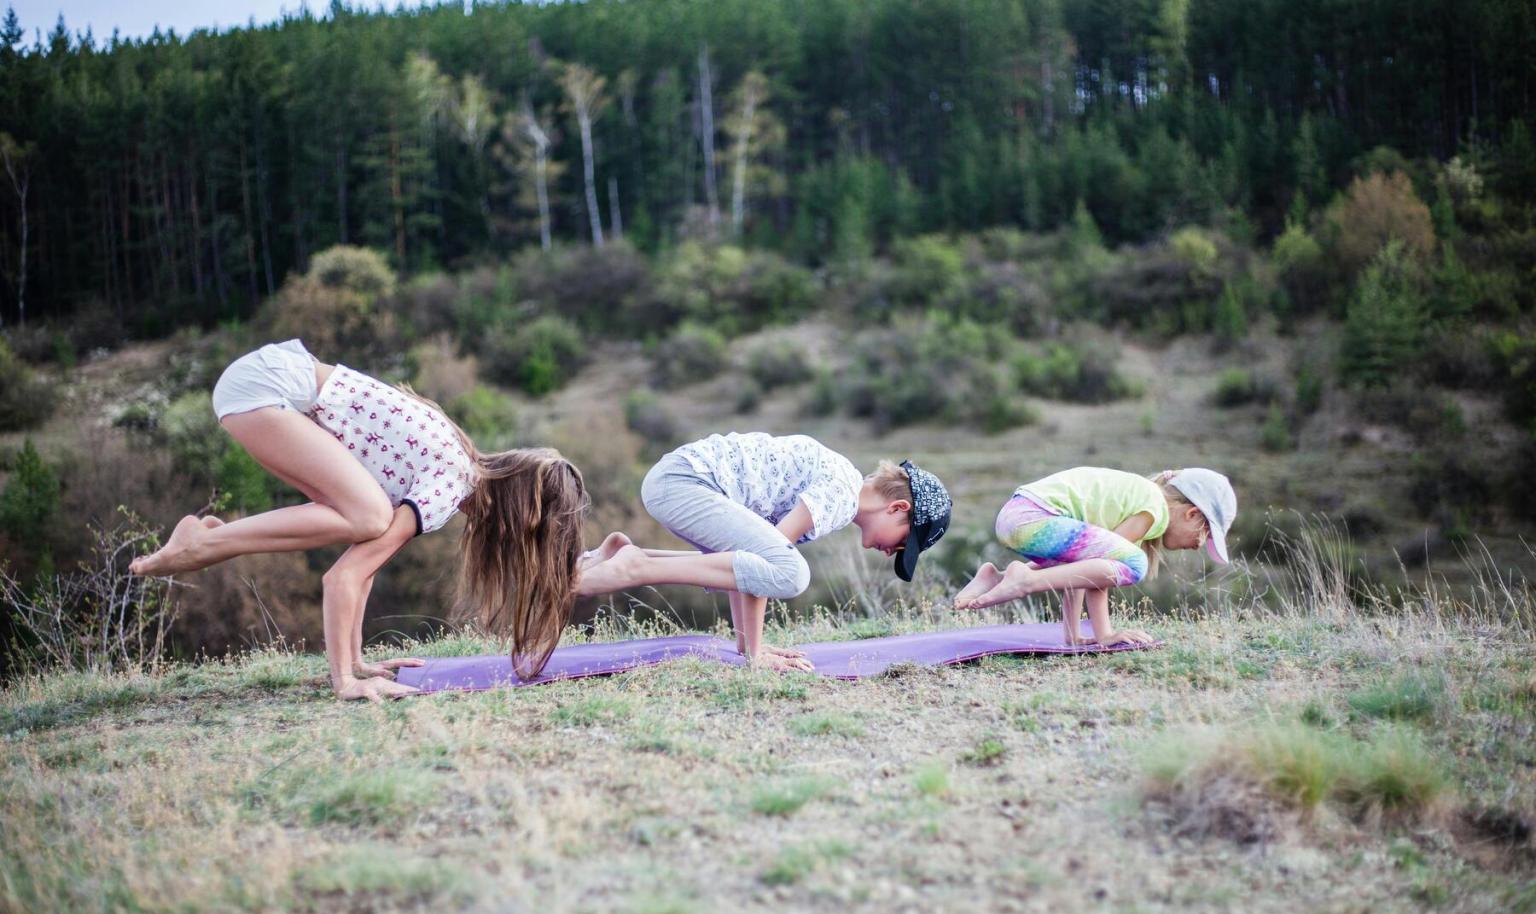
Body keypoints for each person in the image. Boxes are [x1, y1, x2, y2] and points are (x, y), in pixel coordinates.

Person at [129, 339, 589, 701]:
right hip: (266, 387)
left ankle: (208, 539)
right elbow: (342, 578)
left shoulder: (455, 469)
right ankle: (205, 543)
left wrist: (359, 660)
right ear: (519, 519)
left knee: (366, 520)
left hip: (262, 383)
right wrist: (345, 680)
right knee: (369, 517)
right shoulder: (452, 483)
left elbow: (362, 567)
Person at [578, 432, 952, 671]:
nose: (894, 553)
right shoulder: (841, 494)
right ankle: (635, 567)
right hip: (685, 482)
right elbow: (768, 561)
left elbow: (746, 565)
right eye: (904, 543)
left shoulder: (840, 483)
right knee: (793, 573)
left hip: (677, 479)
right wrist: (757, 657)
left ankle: (625, 555)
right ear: (898, 509)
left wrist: (747, 647)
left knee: (771, 565)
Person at [954, 466, 1235, 645]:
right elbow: (1102, 570)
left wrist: (1072, 636)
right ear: (1192, 514)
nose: (1200, 545)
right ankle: (1023, 580)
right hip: (1034, 519)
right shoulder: (1155, 510)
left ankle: (996, 577)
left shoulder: (1139, 496)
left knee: (1091, 563)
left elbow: (1081, 571)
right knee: (1133, 562)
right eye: (1206, 535)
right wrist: (1106, 636)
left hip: (1016, 517)